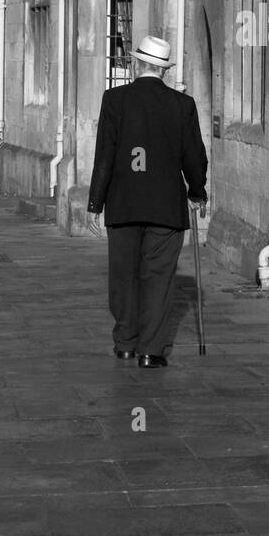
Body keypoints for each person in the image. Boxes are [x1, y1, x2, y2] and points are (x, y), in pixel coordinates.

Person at [86, 35, 208, 368]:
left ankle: (125, 342)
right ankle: (151, 351)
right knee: (158, 278)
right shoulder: (183, 105)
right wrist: (198, 191)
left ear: (137, 64)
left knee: (123, 275)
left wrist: (95, 203)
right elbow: (194, 157)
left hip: (123, 203)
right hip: (166, 206)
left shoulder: (114, 99)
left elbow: (105, 157)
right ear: (164, 71)